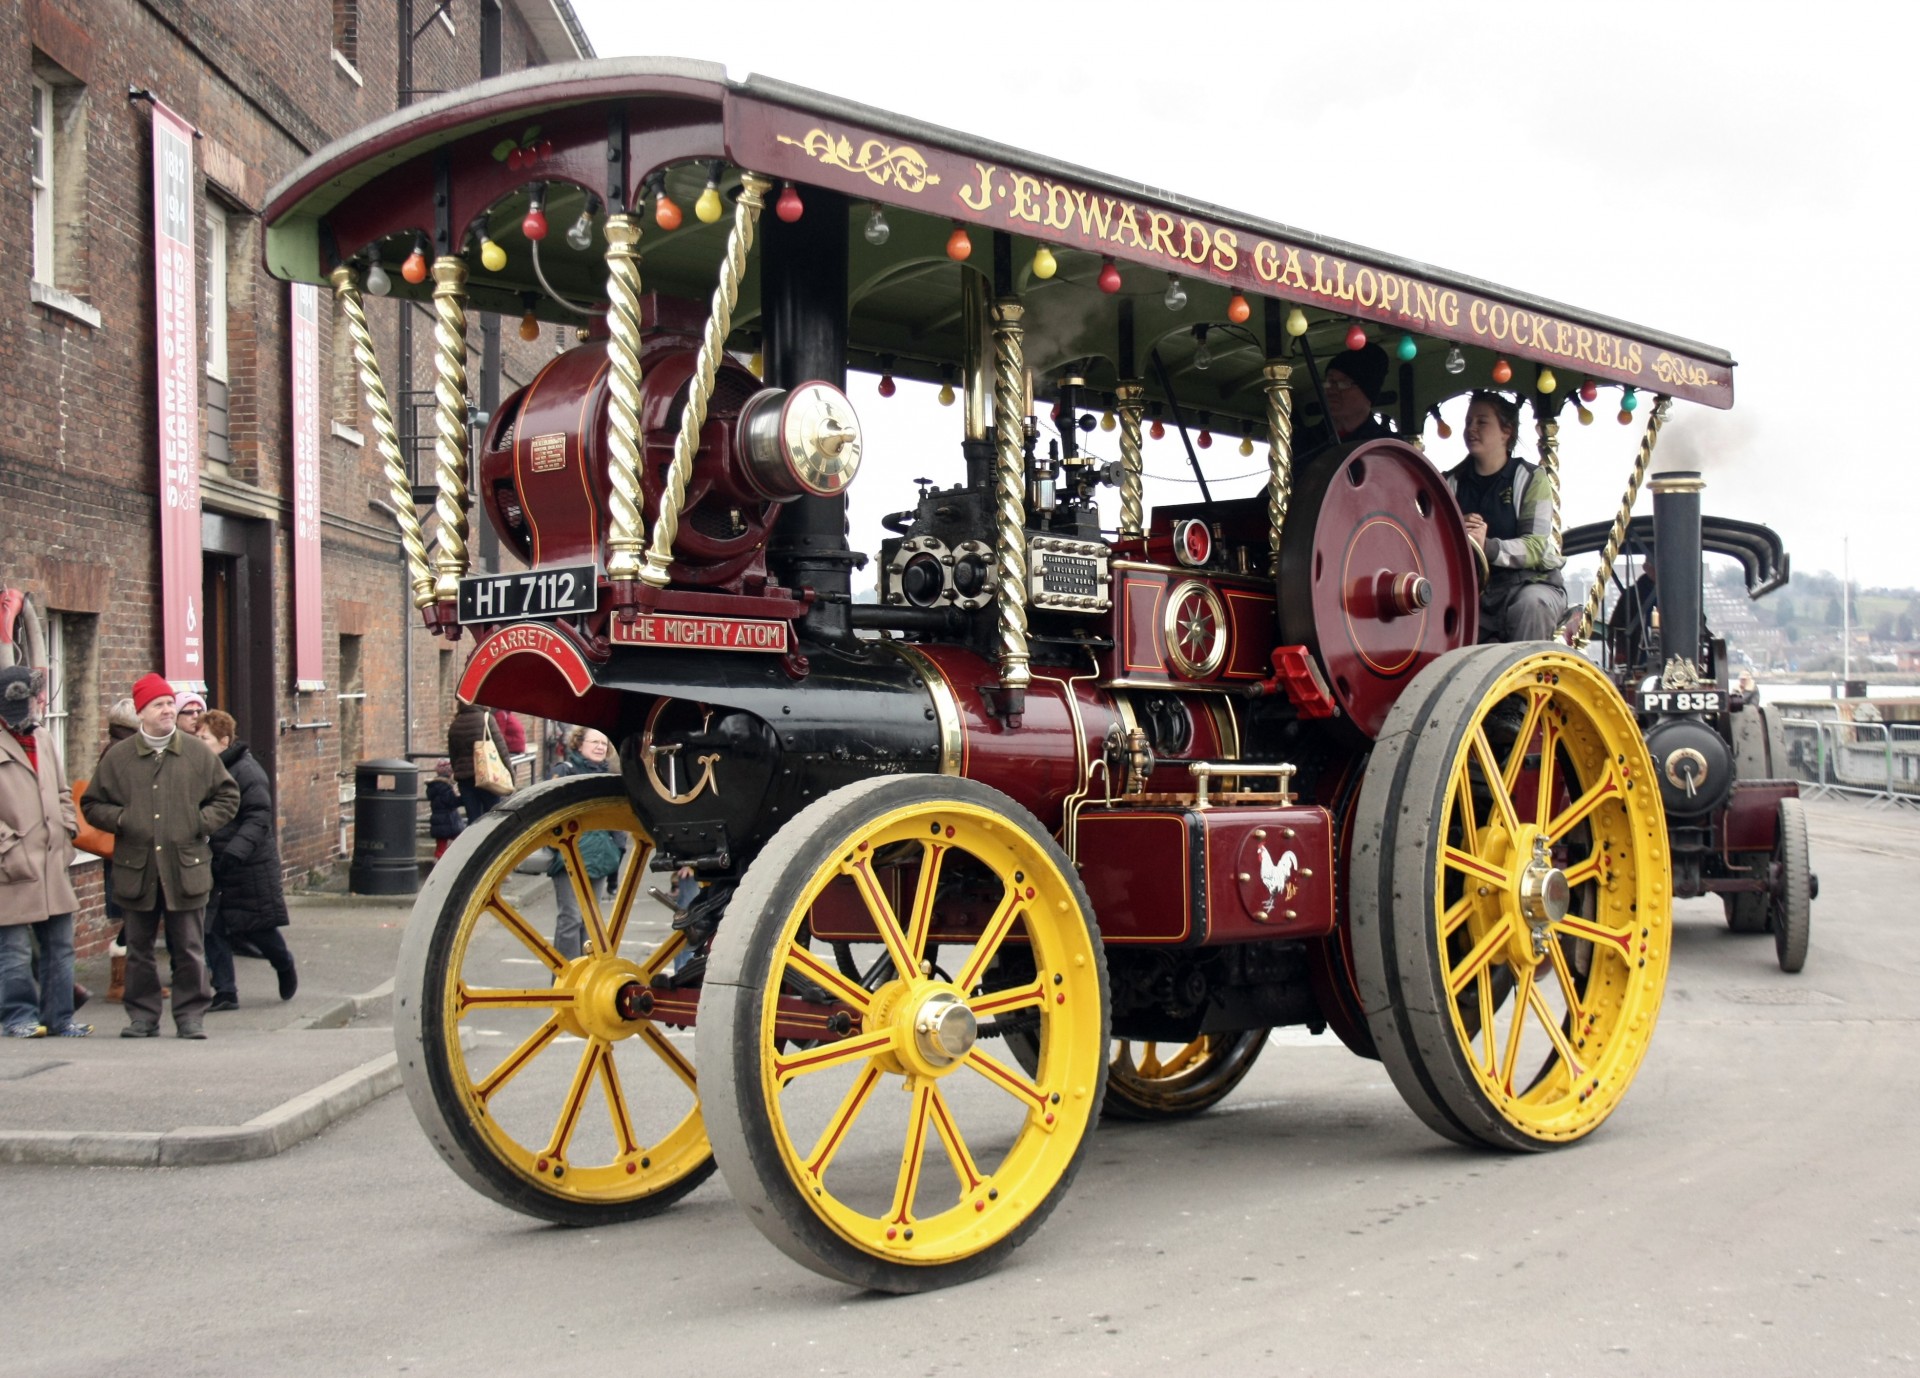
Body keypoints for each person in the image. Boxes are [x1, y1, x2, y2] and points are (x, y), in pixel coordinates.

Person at [82, 674, 239, 1039]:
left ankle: (190, 1016)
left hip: (185, 868)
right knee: (138, 950)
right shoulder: (119, 758)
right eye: (159, 705)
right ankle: (142, 1016)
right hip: (136, 869)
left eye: (170, 703)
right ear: (141, 713)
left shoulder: (197, 753)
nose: (169, 710)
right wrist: (121, 819)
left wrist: (200, 822)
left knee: (188, 946)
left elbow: (228, 797)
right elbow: (91, 804)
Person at [0, 666, 89, 1038]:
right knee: (14, 951)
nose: (41, 703)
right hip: (11, 864)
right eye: (35, 697)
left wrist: (68, 828)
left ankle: (59, 1017)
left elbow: (63, 791)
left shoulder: (44, 737)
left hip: (52, 861)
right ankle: (18, 1017)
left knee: (60, 946)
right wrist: (7, 846)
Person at [195, 710, 296, 1010]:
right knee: (212, 927)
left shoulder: (246, 771)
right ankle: (225, 991)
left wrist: (234, 852)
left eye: (205, 739)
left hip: (247, 864)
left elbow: (258, 817)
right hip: (213, 862)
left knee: (255, 927)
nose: (198, 743)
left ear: (224, 741)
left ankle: (283, 963)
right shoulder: (201, 770)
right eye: (197, 737)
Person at [1445, 391, 1567, 642]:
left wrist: (1485, 546)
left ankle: (1527, 679)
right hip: (1477, 592)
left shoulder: (1531, 478)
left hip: (1530, 585)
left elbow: (1535, 546)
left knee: (1531, 606)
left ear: (1506, 431)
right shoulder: (1450, 482)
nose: (1471, 429)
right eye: (1468, 422)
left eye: (1482, 422)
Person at [545, 728, 626, 961]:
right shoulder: (565, 772)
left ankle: (585, 976)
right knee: (570, 919)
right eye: (595, 742)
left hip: (599, 859)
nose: (600, 747)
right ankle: (565, 980)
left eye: (604, 743)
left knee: (591, 923)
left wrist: (615, 856)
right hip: (570, 858)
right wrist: (556, 849)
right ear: (579, 744)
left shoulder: (609, 780)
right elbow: (548, 813)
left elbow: (617, 823)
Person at [447, 699, 511, 824]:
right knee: (493, 817)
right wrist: (510, 773)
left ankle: (475, 843)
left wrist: (458, 772)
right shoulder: (487, 719)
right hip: (487, 776)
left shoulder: (455, 724)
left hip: (465, 779)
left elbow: (453, 755)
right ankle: (493, 843)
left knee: (473, 820)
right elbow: (501, 749)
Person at [1319, 343, 1395, 448]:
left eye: (1344, 383)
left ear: (1368, 395)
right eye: (1330, 381)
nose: (1331, 389)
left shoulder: (1391, 447)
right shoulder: (1301, 441)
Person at [426, 759, 465, 859]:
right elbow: (450, 801)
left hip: (438, 819)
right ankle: (458, 860)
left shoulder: (433, 785)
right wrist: (462, 799)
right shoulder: (446, 786)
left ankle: (437, 864)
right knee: (461, 841)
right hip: (449, 819)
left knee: (441, 846)